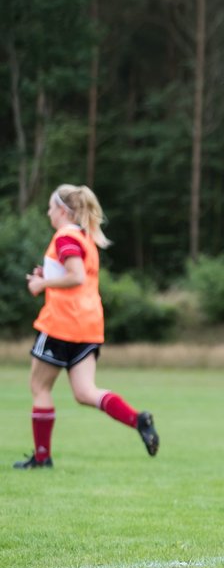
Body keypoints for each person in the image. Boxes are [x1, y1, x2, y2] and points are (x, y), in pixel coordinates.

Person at [13, 184, 159, 469]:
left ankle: (42, 458)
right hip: (89, 325)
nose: (47, 212)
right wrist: (48, 275)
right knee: (85, 392)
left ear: (63, 210)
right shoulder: (84, 237)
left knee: (39, 387)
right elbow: (74, 274)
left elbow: (76, 276)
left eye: (50, 207)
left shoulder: (65, 236)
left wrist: (42, 283)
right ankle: (137, 419)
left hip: (61, 324)